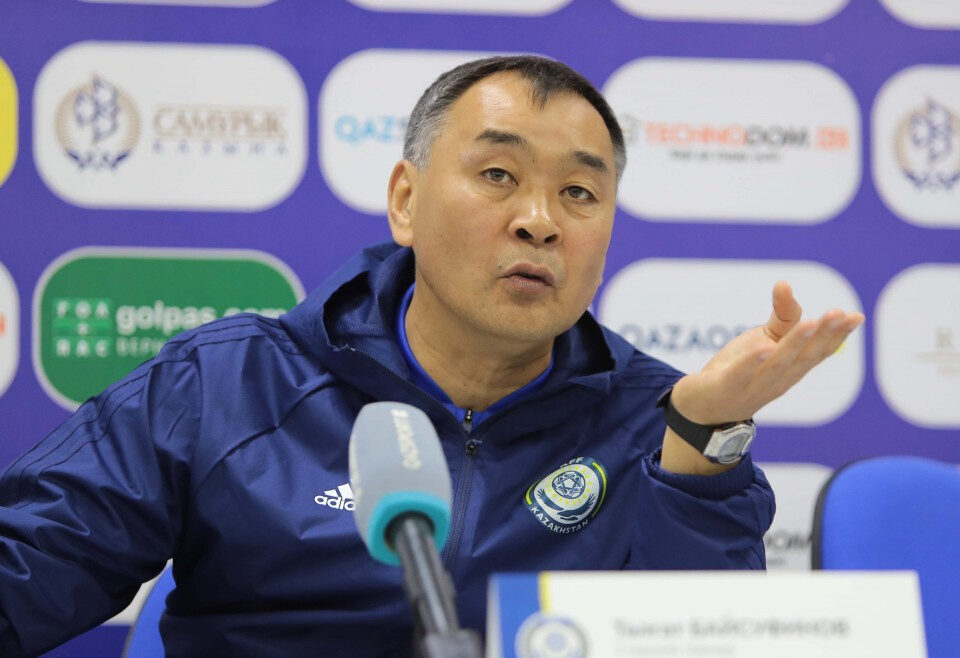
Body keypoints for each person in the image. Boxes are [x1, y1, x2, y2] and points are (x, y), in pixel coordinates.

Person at [0, 56, 863, 656]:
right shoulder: (226, 385)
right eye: (498, 176)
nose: (539, 221)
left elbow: (703, 641)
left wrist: (700, 448)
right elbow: (26, 574)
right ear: (406, 201)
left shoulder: (658, 422)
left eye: (578, 192)